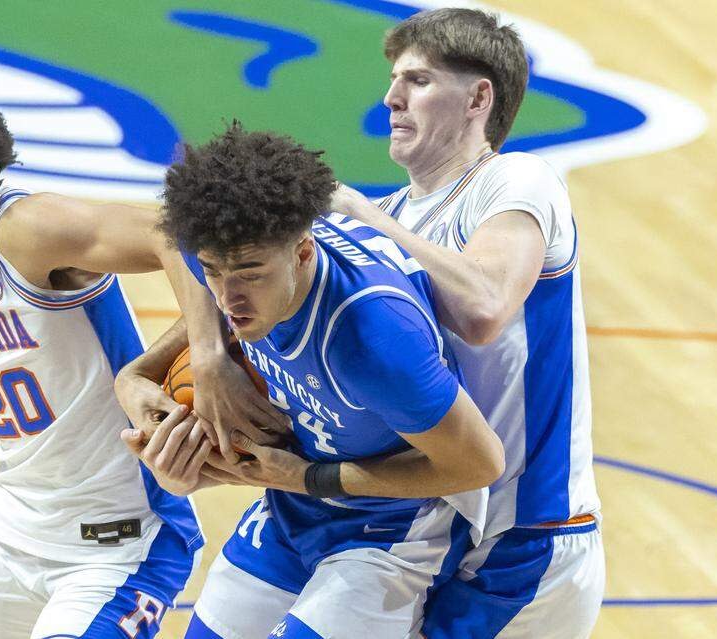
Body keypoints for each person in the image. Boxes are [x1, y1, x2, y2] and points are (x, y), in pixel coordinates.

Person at [0, 90, 285, 639]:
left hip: (120, 543)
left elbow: (174, 236)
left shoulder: (30, 232)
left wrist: (209, 353)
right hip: (12, 536)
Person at [117, 123, 505, 639]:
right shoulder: (220, 239)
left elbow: (479, 464)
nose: (229, 298)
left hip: (397, 523)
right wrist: (170, 371)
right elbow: (197, 270)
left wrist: (309, 478)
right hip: (293, 507)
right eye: (214, 271)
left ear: (303, 251)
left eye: (251, 274)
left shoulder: (373, 340)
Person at [329, 8, 604, 638]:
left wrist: (365, 222)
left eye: (418, 80)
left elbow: (483, 309)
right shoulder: (394, 213)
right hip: (428, 527)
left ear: (479, 98)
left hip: (527, 536)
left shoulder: (516, 179)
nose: (391, 98)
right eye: (395, 80)